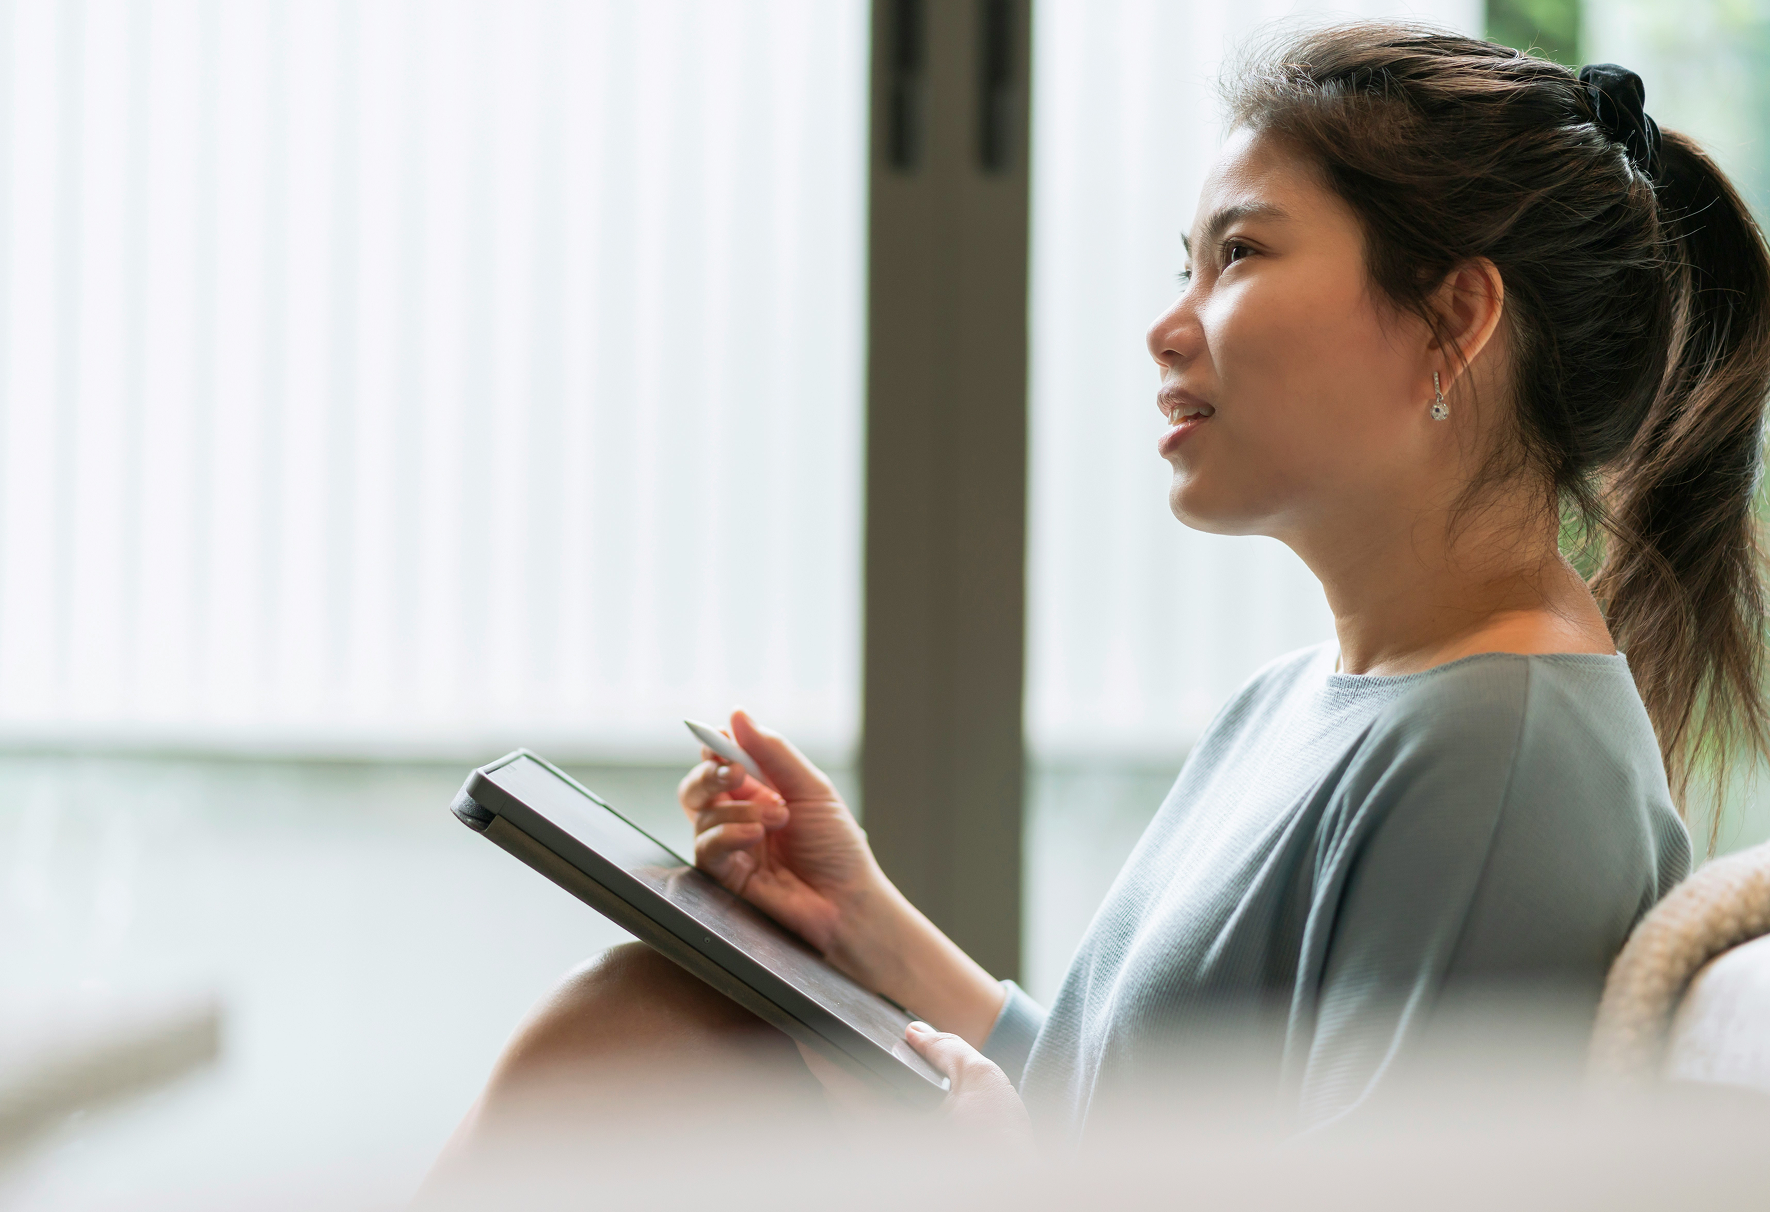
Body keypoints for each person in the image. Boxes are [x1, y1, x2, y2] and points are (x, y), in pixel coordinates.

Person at [440, 22, 1770, 1154]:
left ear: (1454, 320)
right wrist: (855, 920)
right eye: (1181, 262)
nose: (1166, 323)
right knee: (654, 1011)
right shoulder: (1305, 701)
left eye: (1239, 255)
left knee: (640, 1045)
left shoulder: (1504, 759)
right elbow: (1108, 1103)